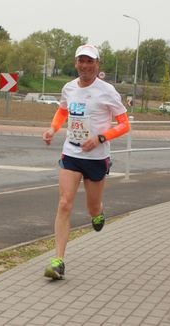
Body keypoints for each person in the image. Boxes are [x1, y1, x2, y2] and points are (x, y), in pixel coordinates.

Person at [42, 44, 130, 280]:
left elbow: (124, 124)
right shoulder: (69, 88)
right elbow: (62, 111)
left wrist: (101, 137)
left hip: (96, 157)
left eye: (90, 61)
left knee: (92, 207)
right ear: (76, 63)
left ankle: (98, 212)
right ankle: (58, 261)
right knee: (64, 203)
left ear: (97, 64)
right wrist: (53, 129)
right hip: (71, 152)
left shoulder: (107, 91)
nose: (85, 65)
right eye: (81, 60)